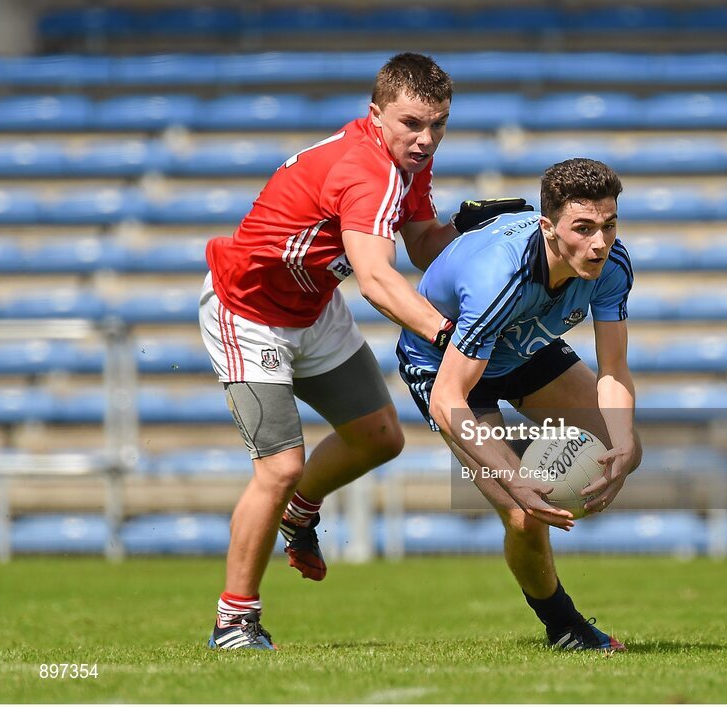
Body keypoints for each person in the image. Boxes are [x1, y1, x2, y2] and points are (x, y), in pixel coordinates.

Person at [198, 52, 522, 650]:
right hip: (248, 314)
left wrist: (474, 233)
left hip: (313, 308)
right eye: (412, 124)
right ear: (376, 116)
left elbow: (423, 243)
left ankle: (301, 511)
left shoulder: (405, 160)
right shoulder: (366, 169)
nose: (426, 139)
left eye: (439, 124)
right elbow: (375, 280)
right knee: (279, 466)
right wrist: (449, 335)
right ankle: (235, 620)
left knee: (380, 437)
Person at [396, 158, 642, 651]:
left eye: (609, 225)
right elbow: (449, 400)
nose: (599, 242)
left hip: (525, 346)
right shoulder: (499, 279)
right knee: (524, 513)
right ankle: (564, 626)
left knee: (627, 449)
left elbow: (613, 370)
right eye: (584, 228)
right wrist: (511, 478)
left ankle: (549, 467)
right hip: (450, 368)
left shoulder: (610, 266)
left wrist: (621, 442)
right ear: (548, 228)